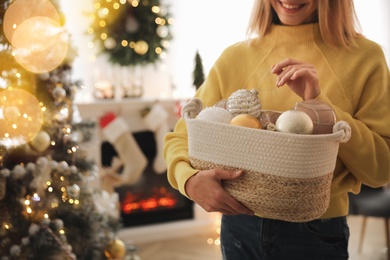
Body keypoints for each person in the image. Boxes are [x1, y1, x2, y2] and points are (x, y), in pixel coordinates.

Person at [164, 0, 390, 259]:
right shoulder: (234, 57)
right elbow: (181, 136)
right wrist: (188, 180)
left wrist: (323, 109)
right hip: (238, 227)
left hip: (316, 231)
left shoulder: (365, 57)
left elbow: (381, 169)